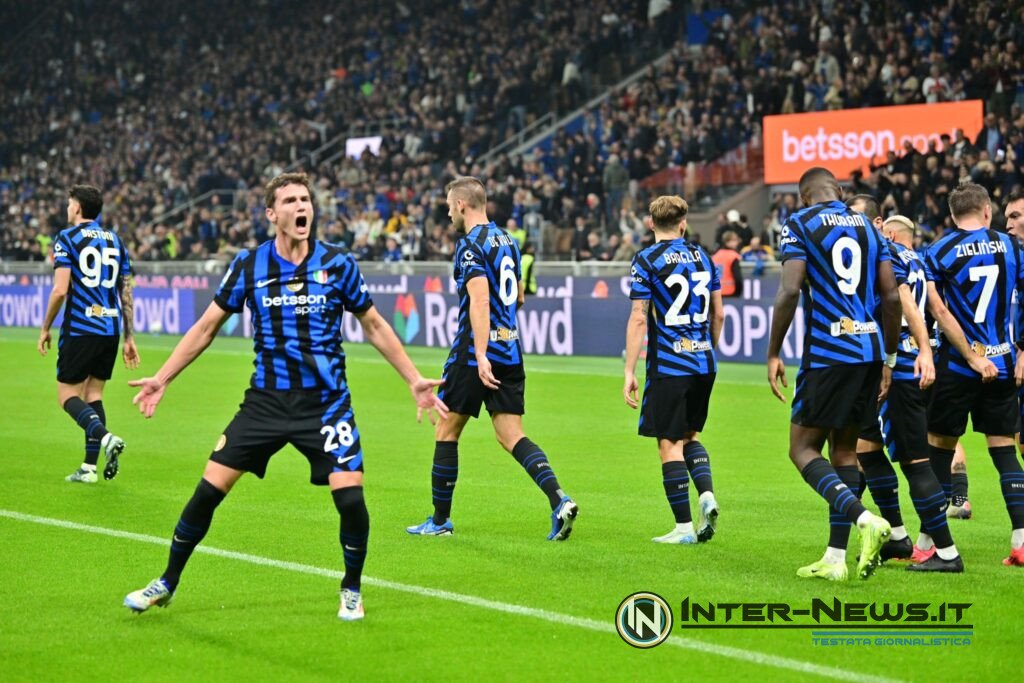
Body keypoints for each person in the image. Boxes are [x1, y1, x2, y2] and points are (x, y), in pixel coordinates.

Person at [122, 173, 447, 620]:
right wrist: (163, 377)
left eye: (307, 199)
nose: (302, 207)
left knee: (351, 500)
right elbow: (205, 328)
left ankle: (351, 588)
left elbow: (373, 324)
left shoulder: (338, 263)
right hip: (266, 403)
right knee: (207, 492)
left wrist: (412, 378)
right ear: (272, 214)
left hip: (327, 403)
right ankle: (167, 581)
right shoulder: (249, 265)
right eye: (291, 200)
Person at [406, 176, 578, 540]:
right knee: (512, 435)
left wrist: (481, 353)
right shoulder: (508, 242)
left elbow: (480, 300)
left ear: (463, 205)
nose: (448, 212)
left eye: (450, 205)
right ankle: (559, 499)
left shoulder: (470, 245)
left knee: (446, 430)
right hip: (511, 349)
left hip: (475, 354)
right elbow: (516, 300)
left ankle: (439, 522)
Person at [767, 167, 897, 582]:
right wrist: (889, 358)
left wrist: (773, 352)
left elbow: (790, 290)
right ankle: (836, 559)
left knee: (802, 449)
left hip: (828, 352)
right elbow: (891, 295)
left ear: (804, 197)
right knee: (844, 452)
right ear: (839, 192)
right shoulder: (868, 226)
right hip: (870, 350)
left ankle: (865, 520)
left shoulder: (800, 223)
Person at [925, 182, 1024, 568]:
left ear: (952, 216)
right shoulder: (1012, 247)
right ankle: (1020, 541)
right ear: (987, 211)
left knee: (939, 451)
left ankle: (931, 543)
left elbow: (940, 311)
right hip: (1001, 364)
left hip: (957, 367)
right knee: (1004, 453)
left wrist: (970, 356)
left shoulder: (938, 251)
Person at [623, 195, 724, 544]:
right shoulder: (704, 257)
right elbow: (719, 314)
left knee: (668, 443)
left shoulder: (647, 260)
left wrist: (629, 370)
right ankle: (706, 495)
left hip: (670, 364)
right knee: (690, 436)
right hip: (704, 361)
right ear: (684, 223)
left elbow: (639, 316)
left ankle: (683, 528)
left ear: (651, 224)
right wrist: (706, 346)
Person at [38, 184, 139, 484]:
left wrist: (45, 327)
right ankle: (89, 468)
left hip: (82, 327)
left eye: (69, 203)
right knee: (93, 395)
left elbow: (59, 290)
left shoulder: (67, 238)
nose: (67, 208)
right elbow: (127, 291)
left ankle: (105, 438)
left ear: (78, 208)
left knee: (66, 394)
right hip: (110, 328)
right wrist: (129, 337)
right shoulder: (116, 241)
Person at [711, 231, 742, 298]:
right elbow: (738, 278)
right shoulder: (733, 256)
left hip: (716, 293)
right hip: (731, 292)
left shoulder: (715, 255)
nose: (737, 243)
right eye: (734, 240)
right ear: (728, 241)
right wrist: (739, 292)